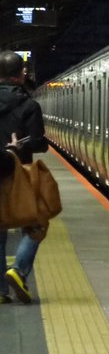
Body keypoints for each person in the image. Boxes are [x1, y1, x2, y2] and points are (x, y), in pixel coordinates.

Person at [0, 51, 48, 304]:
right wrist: (19, 146)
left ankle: (0, 291)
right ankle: (18, 270)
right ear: (22, 74)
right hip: (19, 176)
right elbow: (40, 143)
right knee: (36, 223)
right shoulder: (29, 105)